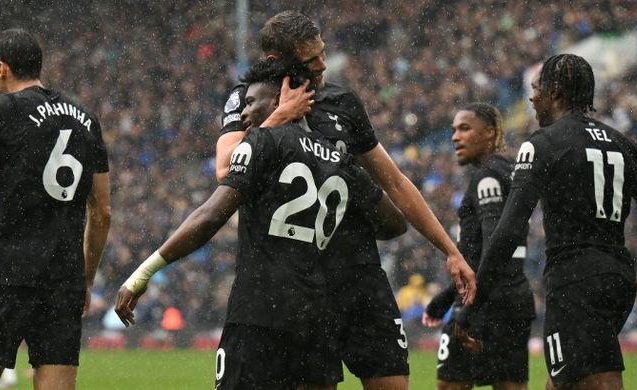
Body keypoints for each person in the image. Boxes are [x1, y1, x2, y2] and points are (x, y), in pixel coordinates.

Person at [215, 11, 472, 389]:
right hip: (302, 283)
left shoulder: (342, 102)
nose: (322, 64)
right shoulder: (251, 98)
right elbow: (225, 169)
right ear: (276, 61)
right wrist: (280, 115)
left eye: (322, 53)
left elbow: (397, 183)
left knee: (393, 383)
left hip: (359, 271)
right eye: (310, 59)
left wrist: (450, 250)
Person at [115, 58, 406, 390]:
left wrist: (144, 272)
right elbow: (395, 224)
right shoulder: (340, 160)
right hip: (318, 317)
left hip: (260, 311)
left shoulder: (263, 142)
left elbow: (210, 216)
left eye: (252, 101)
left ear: (282, 99)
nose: (244, 112)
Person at [475, 54, 637, 390]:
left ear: (556, 92)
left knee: (599, 380)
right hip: (618, 280)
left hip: (575, 281)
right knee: (566, 377)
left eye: (538, 89)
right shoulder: (624, 145)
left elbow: (509, 229)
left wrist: (477, 300)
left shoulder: (542, 144)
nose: (532, 98)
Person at [0, 29, 111, 390]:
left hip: (7, 276)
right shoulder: (86, 119)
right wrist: (86, 278)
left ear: (3, 70)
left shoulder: (3, 109)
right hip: (63, 282)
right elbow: (102, 212)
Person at [423, 103, 534, 390]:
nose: (454, 137)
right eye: (453, 130)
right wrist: (445, 299)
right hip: (515, 299)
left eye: (464, 128)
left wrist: (466, 308)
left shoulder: (487, 177)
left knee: (451, 385)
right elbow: (485, 252)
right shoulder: (512, 172)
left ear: (489, 134)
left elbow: (493, 246)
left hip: (484, 301)